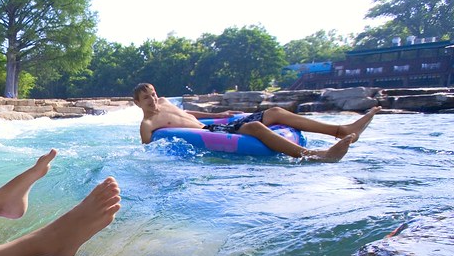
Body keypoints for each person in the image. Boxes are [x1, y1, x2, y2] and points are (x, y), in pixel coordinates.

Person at [132, 82, 380, 162]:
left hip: (215, 124)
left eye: (153, 94)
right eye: (146, 98)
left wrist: (221, 114)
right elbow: (149, 151)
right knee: (253, 127)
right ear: (138, 103)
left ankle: (341, 130)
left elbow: (187, 115)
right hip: (212, 132)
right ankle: (315, 155)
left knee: (275, 112)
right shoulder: (148, 125)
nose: (152, 100)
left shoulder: (165, 101)